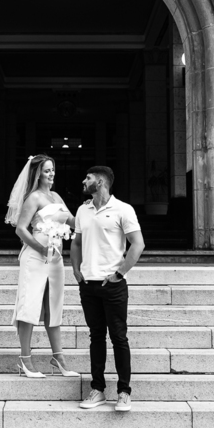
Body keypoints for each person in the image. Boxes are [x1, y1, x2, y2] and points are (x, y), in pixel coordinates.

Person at [71, 165, 144, 412]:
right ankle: (98, 390)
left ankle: (124, 392)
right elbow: (77, 242)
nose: (84, 181)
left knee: (119, 338)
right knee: (96, 338)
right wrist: (76, 270)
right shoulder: (83, 210)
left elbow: (138, 244)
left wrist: (120, 273)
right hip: (88, 285)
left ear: (100, 182)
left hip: (112, 285)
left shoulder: (123, 209)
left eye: (88, 178)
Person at [6, 154, 79, 379]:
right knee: (30, 304)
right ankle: (25, 359)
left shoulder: (56, 196)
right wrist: (39, 247)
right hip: (36, 257)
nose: (51, 174)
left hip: (56, 258)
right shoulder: (33, 198)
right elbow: (20, 228)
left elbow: (73, 221)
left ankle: (58, 357)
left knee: (53, 304)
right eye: (47, 170)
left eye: (53, 170)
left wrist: (91, 210)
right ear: (38, 173)